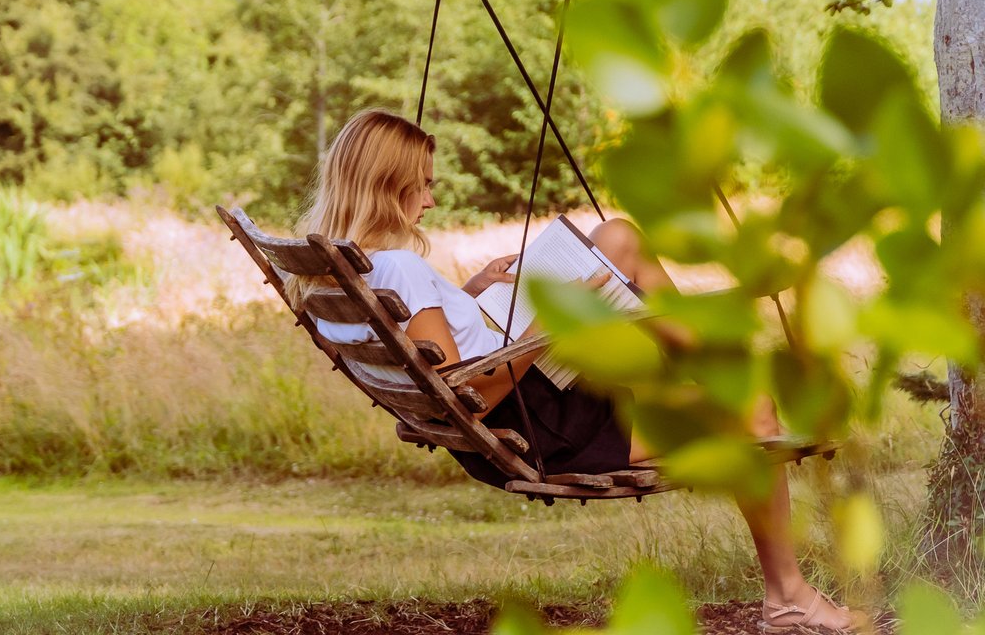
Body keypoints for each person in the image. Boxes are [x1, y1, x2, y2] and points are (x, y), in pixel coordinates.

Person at [288, 109, 859, 634]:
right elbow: (474, 401)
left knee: (617, 238)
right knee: (755, 413)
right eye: (426, 184)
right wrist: (556, 328)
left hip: (521, 394)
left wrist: (475, 290)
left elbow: (425, 357)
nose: (431, 201)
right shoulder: (401, 269)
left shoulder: (345, 274)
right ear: (391, 185)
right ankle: (789, 598)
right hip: (542, 425)